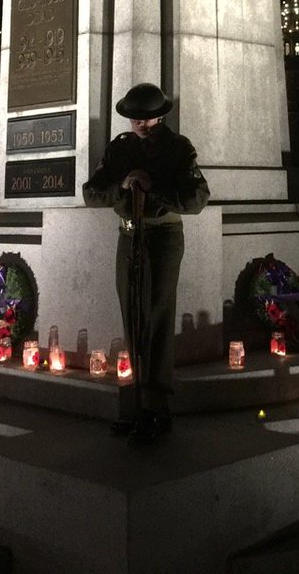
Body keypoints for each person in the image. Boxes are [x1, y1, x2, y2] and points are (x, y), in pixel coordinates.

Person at [82, 83, 209, 444]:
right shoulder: (120, 148)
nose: (141, 124)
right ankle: (139, 405)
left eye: (148, 118)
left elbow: (197, 198)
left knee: (156, 315)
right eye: (135, 118)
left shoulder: (177, 148)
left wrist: (154, 189)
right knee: (133, 316)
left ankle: (156, 407)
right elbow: (92, 193)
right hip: (128, 235)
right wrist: (123, 186)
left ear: (161, 115)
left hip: (162, 237)